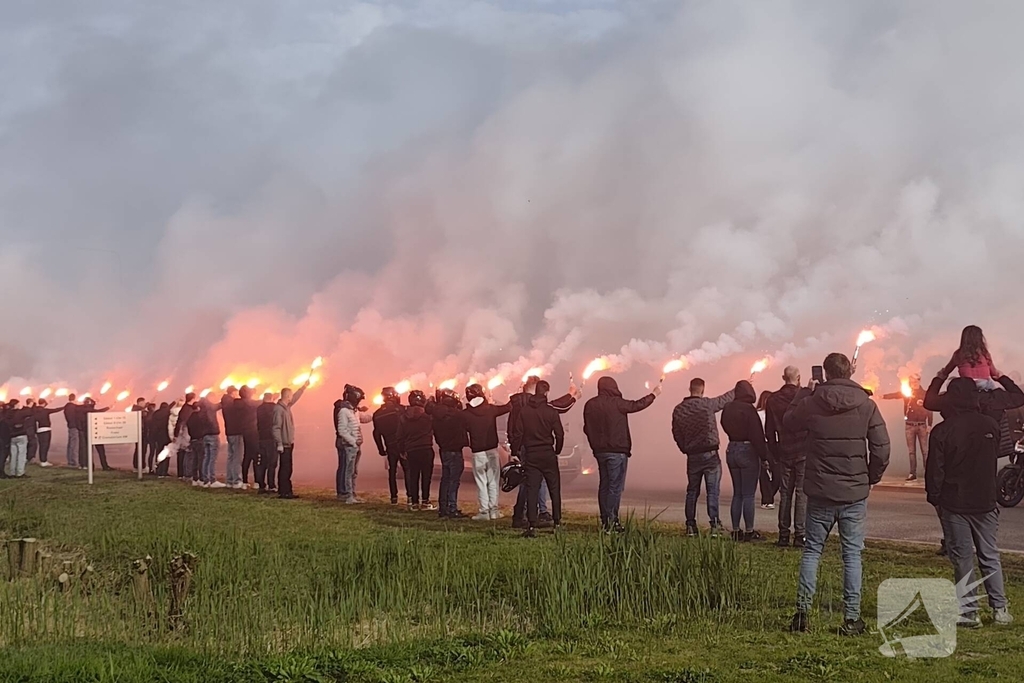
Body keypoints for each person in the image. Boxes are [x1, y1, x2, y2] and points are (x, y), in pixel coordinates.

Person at [785, 352, 890, 636]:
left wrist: (804, 390)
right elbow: (881, 448)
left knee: (811, 552)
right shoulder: (867, 406)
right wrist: (870, 477)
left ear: (826, 374)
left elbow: (789, 421)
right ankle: (852, 618)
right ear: (850, 373)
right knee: (852, 555)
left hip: (819, 491)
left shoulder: (811, 402)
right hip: (853, 494)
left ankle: (802, 614)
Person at [926, 377, 1014, 627]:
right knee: (989, 555)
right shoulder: (990, 425)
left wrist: (935, 499)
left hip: (954, 503)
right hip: (985, 501)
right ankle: (1000, 609)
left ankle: (969, 612)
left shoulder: (943, 430)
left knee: (962, 558)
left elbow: (935, 471)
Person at [582, 376, 659, 532]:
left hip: (599, 452)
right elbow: (637, 405)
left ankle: (605, 520)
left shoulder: (590, 405)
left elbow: (586, 427)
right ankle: (612, 521)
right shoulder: (617, 403)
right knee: (615, 487)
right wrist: (654, 394)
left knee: (604, 485)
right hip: (617, 451)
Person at [509, 376, 578, 529]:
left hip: (531, 454)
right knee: (554, 488)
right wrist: (557, 450)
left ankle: (532, 524)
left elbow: (518, 433)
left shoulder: (524, 411)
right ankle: (557, 522)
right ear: (546, 393)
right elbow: (560, 434)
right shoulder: (550, 411)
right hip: (548, 453)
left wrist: (515, 450)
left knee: (532, 488)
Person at [671, 378, 736, 536]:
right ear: (703, 389)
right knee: (712, 491)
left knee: (692, 491)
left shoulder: (679, 409)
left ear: (690, 388)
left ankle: (690, 526)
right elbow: (725, 399)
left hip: (692, 455)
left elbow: (676, 433)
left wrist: (684, 448)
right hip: (710, 453)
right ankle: (714, 525)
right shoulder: (707, 404)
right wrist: (740, 386)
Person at [722, 380, 769, 541]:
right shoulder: (749, 410)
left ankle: (736, 530)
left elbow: (723, 423)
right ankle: (749, 531)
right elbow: (757, 435)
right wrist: (764, 457)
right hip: (747, 450)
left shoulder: (728, 407)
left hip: (731, 448)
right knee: (748, 494)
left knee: (738, 493)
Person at [766, 367, 807, 548]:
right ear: (798, 378)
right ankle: (800, 535)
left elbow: (769, 430)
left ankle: (783, 535)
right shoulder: (805, 397)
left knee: (785, 494)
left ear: (783, 378)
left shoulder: (772, 399)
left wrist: (774, 451)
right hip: (804, 450)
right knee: (801, 493)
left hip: (784, 450)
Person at [463, 383, 511, 521]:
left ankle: (484, 512)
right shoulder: (491, 409)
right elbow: (508, 407)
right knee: (493, 482)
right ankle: (494, 510)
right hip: (491, 450)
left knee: (481, 482)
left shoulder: (466, 414)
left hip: (477, 453)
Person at [882, 373, 933, 481]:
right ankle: (912, 473)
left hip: (922, 425)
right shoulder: (907, 393)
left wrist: (929, 425)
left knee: (925, 451)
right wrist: (883, 396)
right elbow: (895, 395)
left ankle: (928, 472)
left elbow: (930, 410)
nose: (912, 384)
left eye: (914, 382)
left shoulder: (924, 394)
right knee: (911, 451)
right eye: (911, 382)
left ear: (919, 381)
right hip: (909, 425)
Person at [432, 388, 469, 519]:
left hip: (444, 450)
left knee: (445, 480)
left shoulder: (435, 415)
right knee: (454, 481)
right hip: (455, 450)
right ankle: (452, 508)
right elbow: (467, 421)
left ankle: (443, 509)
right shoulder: (457, 415)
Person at [396, 390, 436, 511]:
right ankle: (425, 501)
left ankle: (413, 502)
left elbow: (399, 436)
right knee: (426, 476)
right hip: (426, 448)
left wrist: (402, 450)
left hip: (411, 450)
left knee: (413, 476)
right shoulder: (428, 417)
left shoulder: (403, 417)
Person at [335, 384, 372, 503]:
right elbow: (342, 430)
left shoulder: (353, 411)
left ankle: (352, 494)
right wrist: (353, 442)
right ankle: (348, 496)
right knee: (348, 471)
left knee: (354, 472)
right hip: (350, 446)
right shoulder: (344, 411)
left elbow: (364, 418)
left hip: (356, 446)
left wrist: (376, 412)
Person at [372, 387, 409, 506]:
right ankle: (410, 497)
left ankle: (394, 498)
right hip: (402, 444)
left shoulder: (377, 414)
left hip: (389, 446)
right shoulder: (400, 409)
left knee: (392, 472)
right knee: (407, 471)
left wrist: (381, 450)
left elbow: (376, 433)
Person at [272, 381, 309, 499]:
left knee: (288, 468)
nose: (292, 397)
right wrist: (279, 443)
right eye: (291, 395)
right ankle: (284, 491)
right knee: (285, 468)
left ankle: (287, 490)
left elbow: (296, 398)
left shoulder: (286, 407)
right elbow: (276, 427)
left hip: (288, 443)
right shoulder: (279, 410)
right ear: (287, 396)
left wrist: (303, 387)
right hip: (284, 444)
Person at [941, 325, 1002, 391]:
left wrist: (940, 375)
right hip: (985, 386)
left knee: (953, 382)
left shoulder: (959, 354)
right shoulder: (985, 354)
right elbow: (994, 373)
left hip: (967, 386)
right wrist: (1000, 375)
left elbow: (946, 371)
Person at [755, 390, 778, 509]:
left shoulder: (761, 413)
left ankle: (768, 496)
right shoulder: (759, 414)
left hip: (770, 443)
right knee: (766, 473)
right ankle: (767, 499)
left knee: (772, 473)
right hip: (765, 443)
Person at [196, 396, 225, 488]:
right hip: (213, 434)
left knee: (206, 458)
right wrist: (224, 397)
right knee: (212, 458)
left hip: (205, 436)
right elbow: (220, 405)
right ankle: (212, 480)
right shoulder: (210, 408)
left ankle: (205, 480)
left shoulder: (200, 413)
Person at [221, 386, 246, 489]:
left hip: (229, 432)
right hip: (236, 432)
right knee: (237, 457)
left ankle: (229, 480)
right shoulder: (233, 403)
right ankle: (236, 480)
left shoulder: (225, 402)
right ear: (233, 392)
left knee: (231, 457)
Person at [236, 386, 261, 487]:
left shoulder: (239, 404)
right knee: (255, 456)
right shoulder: (248, 404)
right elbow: (257, 403)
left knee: (247, 456)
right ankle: (257, 481)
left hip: (245, 432)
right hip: (253, 432)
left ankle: (245, 482)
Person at [78, 397, 111, 470]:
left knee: (90, 450)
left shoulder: (82, 410)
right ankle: (103, 466)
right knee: (99, 450)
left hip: (89, 432)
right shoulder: (86, 410)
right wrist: (108, 407)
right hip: (92, 432)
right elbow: (98, 411)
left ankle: (91, 466)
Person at [256, 393, 278, 494]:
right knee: (272, 463)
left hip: (261, 437)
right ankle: (271, 485)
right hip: (271, 437)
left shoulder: (259, 408)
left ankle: (261, 484)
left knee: (262, 463)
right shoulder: (274, 408)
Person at [32, 399, 65, 467]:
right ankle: (44, 461)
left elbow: (35, 407)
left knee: (41, 446)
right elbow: (55, 410)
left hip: (39, 430)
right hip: (46, 429)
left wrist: (35, 403)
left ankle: (42, 460)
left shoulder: (35, 410)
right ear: (44, 403)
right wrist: (64, 407)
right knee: (45, 446)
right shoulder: (45, 410)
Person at [4, 400, 30, 478]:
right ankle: (20, 473)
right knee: (21, 455)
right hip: (21, 435)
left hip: (12, 436)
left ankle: (12, 473)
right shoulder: (20, 413)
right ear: (15, 405)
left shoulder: (8, 414)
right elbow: (30, 412)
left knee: (13, 455)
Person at [151, 402, 172, 477]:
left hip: (158, 437)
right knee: (166, 454)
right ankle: (164, 471)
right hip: (166, 436)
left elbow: (152, 426)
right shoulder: (168, 414)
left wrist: (153, 437)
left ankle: (158, 470)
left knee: (158, 453)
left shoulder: (155, 414)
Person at [64, 394, 79, 467]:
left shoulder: (66, 407)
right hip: (74, 426)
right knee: (74, 444)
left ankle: (70, 460)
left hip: (70, 426)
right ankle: (74, 461)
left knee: (70, 444)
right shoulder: (73, 407)